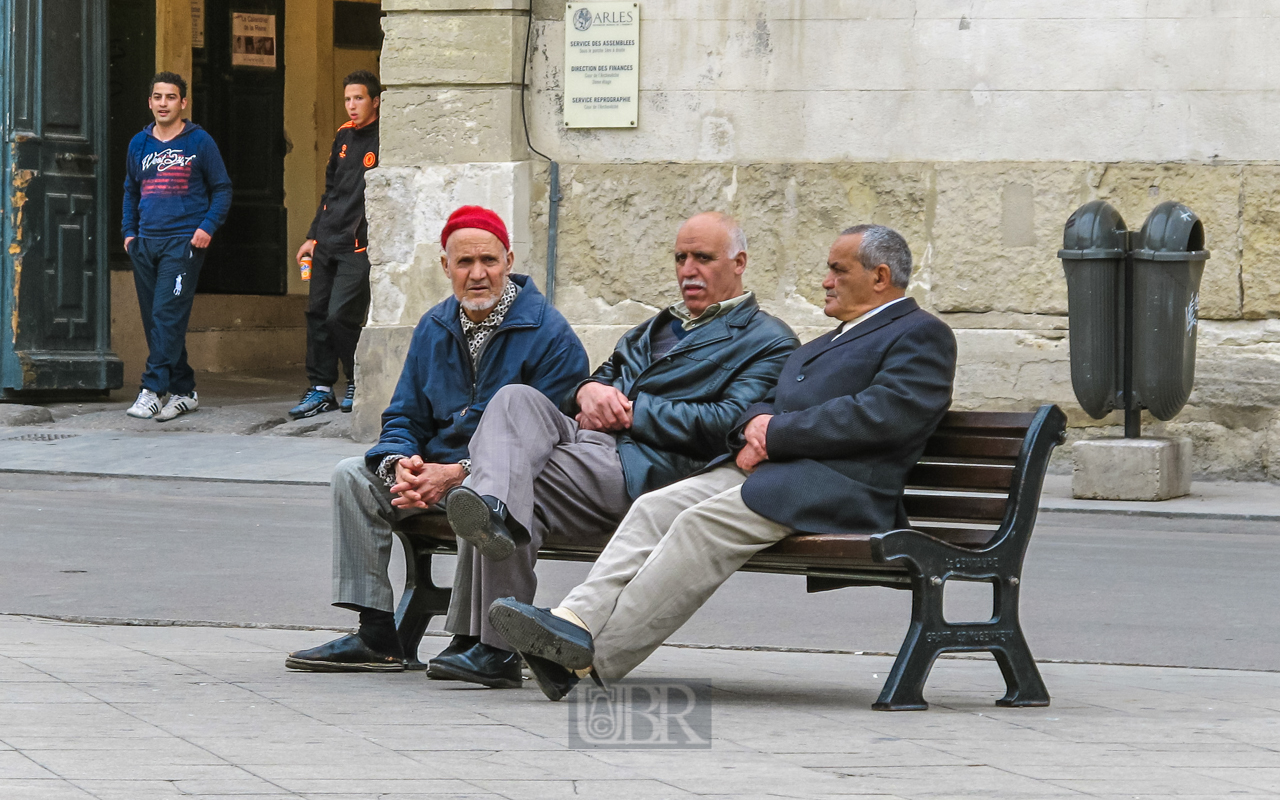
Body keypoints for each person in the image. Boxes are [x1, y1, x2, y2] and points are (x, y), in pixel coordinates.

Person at [487, 224, 959, 700]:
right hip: (778, 474)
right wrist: (756, 428)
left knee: (700, 525)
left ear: (880, 277)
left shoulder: (921, 335)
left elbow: (881, 415)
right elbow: (765, 401)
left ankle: (591, 660)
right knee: (657, 507)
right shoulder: (827, 342)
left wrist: (774, 433)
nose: (826, 281)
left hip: (840, 487)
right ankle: (573, 621)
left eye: (838, 270)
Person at [426, 212, 799, 689]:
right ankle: (493, 526)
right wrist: (586, 393)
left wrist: (632, 412)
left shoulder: (767, 340)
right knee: (513, 401)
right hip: (593, 447)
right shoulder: (654, 327)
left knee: (507, 474)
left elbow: (729, 423)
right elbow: (598, 378)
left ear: (739, 263)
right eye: (681, 258)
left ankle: (488, 642)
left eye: (703, 258)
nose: (688, 270)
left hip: (648, 467)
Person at [284, 206, 589, 672]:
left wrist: (455, 474)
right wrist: (401, 464)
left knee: (478, 498)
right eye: (464, 263)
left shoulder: (550, 334)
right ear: (445, 267)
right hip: (432, 472)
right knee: (352, 475)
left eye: (488, 261)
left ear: (508, 260)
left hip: (501, 479)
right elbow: (404, 414)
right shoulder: (434, 326)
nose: (477, 274)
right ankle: (377, 634)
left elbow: (547, 441)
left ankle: (470, 638)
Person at [121, 72, 232, 421]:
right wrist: (128, 233)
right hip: (145, 243)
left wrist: (207, 227)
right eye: (158, 97)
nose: (163, 103)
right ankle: (184, 390)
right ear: (150, 102)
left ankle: (152, 390)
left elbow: (223, 189)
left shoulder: (199, 142)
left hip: (183, 243)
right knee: (158, 321)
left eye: (171, 97)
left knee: (166, 315)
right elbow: (130, 191)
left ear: (183, 103)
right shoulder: (139, 144)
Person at [291, 70, 382, 419]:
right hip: (327, 238)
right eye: (347, 99)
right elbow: (330, 189)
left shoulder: (384, 138)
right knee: (316, 313)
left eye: (358, 98)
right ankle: (320, 388)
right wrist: (312, 236)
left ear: (374, 100)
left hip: (357, 243)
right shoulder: (343, 134)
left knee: (340, 315)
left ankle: (356, 377)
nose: (352, 105)